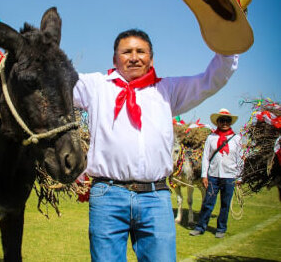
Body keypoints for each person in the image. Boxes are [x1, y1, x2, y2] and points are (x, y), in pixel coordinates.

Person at [73, 30, 239, 261]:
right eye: (126, 52)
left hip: (155, 197)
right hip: (107, 196)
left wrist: (228, 35)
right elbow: (52, 78)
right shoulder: (94, 86)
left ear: (151, 59)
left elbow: (210, 80)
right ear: (114, 59)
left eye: (141, 51)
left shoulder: (167, 89)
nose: (134, 57)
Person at [190, 109, 243, 239]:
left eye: (227, 120)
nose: (224, 123)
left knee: (225, 204)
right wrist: (204, 175)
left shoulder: (236, 139)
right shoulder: (211, 138)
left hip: (229, 176)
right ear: (217, 122)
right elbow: (205, 157)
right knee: (208, 202)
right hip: (213, 176)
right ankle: (200, 227)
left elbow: (240, 158)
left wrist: (240, 176)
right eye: (221, 120)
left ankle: (221, 228)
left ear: (230, 122)